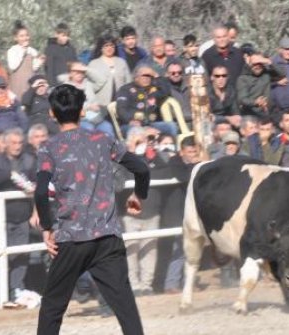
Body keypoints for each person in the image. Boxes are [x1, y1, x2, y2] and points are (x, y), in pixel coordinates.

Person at [34, 84, 148, 334]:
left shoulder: (49, 148)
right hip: (107, 239)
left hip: (71, 240)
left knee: (52, 308)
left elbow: (41, 192)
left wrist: (46, 228)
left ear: (52, 114)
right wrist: (139, 195)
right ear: (82, 112)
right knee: (126, 308)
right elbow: (141, 168)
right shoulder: (103, 140)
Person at [0, 128, 36, 297]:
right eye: (13, 143)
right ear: (6, 144)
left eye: (20, 143)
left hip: (23, 215)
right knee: (1, 255)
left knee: (21, 255)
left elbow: (36, 182)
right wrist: (10, 175)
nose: (17, 146)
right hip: (0, 217)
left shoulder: (30, 160)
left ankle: (16, 289)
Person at [121, 126, 165, 296]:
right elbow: (123, 175)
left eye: (144, 140)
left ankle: (147, 285)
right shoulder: (122, 158)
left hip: (152, 211)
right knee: (131, 250)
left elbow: (163, 169)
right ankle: (134, 285)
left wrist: (151, 151)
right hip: (130, 214)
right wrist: (131, 152)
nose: (142, 144)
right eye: (138, 141)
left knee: (150, 249)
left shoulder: (154, 157)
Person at [161, 136, 201, 294]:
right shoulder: (175, 162)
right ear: (181, 151)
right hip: (176, 212)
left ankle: (187, 282)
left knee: (192, 247)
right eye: (190, 152)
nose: (192, 154)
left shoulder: (194, 163)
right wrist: (197, 165)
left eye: (195, 152)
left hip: (191, 210)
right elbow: (183, 176)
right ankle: (171, 283)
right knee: (179, 247)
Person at [115, 65, 176, 137]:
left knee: (171, 126)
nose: (147, 78)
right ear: (136, 77)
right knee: (137, 131)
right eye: (144, 76)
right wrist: (130, 120)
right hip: (131, 124)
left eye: (149, 76)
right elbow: (121, 109)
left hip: (150, 123)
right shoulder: (126, 89)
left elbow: (166, 90)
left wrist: (156, 76)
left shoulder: (153, 89)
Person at [63, 62, 115, 137]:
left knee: (107, 127)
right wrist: (89, 106)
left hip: (96, 118)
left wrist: (86, 69)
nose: (79, 73)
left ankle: (110, 148)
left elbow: (102, 80)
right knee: (89, 130)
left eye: (81, 71)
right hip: (79, 120)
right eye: (76, 71)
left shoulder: (88, 84)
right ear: (70, 73)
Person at [236, 52, 286, 120]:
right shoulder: (243, 78)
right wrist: (255, 102)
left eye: (260, 63)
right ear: (249, 64)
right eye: (254, 63)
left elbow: (282, 74)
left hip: (267, 113)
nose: (257, 66)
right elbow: (242, 99)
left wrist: (268, 61)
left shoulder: (266, 74)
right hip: (250, 114)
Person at [87, 35, 133, 107]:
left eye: (112, 45)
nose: (109, 48)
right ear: (101, 48)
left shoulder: (121, 62)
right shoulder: (93, 64)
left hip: (121, 104)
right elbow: (88, 87)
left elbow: (129, 82)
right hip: (101, 105)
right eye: (106, 46)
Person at [7, 21, 45, 99]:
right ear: (15, 38)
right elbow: (13, 66)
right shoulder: (12, 50)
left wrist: (40, 61)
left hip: (29, 85)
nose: (25, 38)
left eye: (27, 35)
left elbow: (33, 69)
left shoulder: (32, 50)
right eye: (21, 36)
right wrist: (23, 52)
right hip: (17, 85)